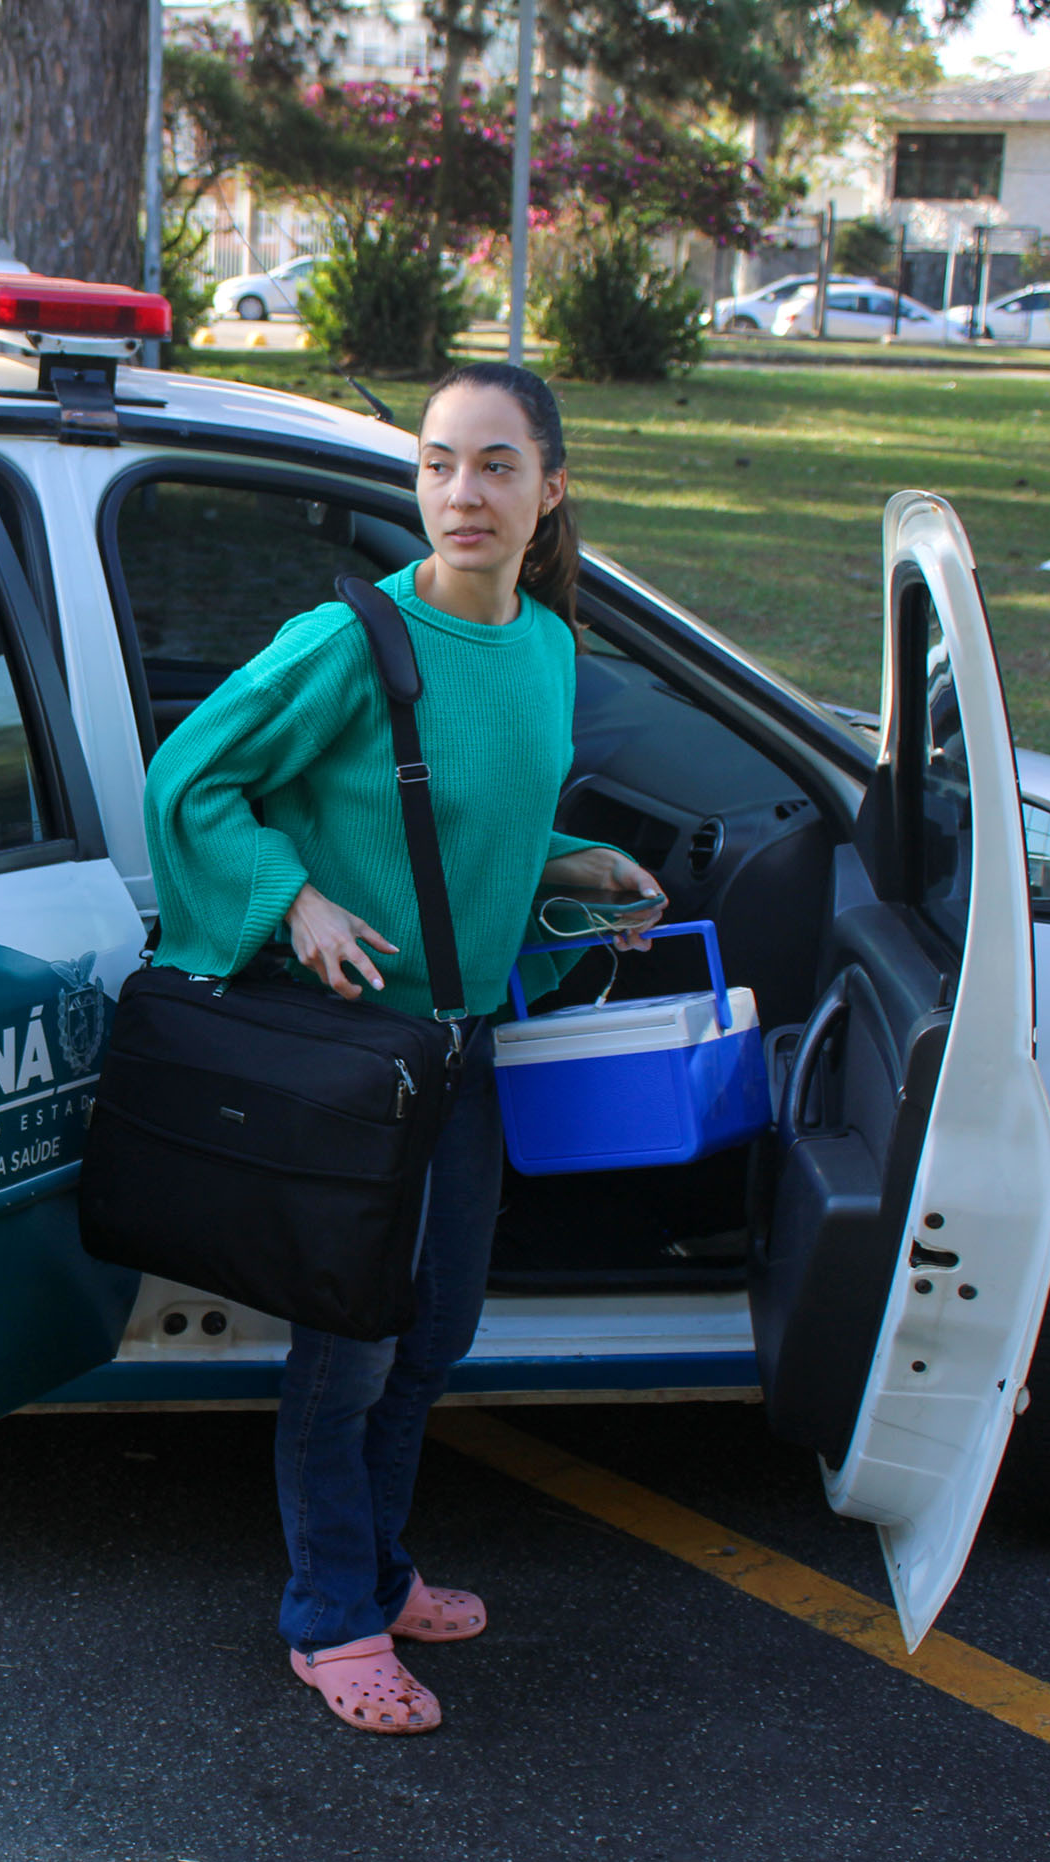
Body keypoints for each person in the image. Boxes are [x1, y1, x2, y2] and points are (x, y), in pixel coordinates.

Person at [142, 362, 665, 1737]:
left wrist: (579, 869)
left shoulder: (547, 648)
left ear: (552, 491)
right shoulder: (350, 643)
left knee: (436, 1332)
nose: (461, 493)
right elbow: (189, 779)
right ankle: (331, 1618)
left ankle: (378, 1563)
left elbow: (459, 834)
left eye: (495, 465)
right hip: (354, 1055)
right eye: (438, 463)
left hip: (460, 1048)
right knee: (354, 1346)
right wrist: (289, 899)